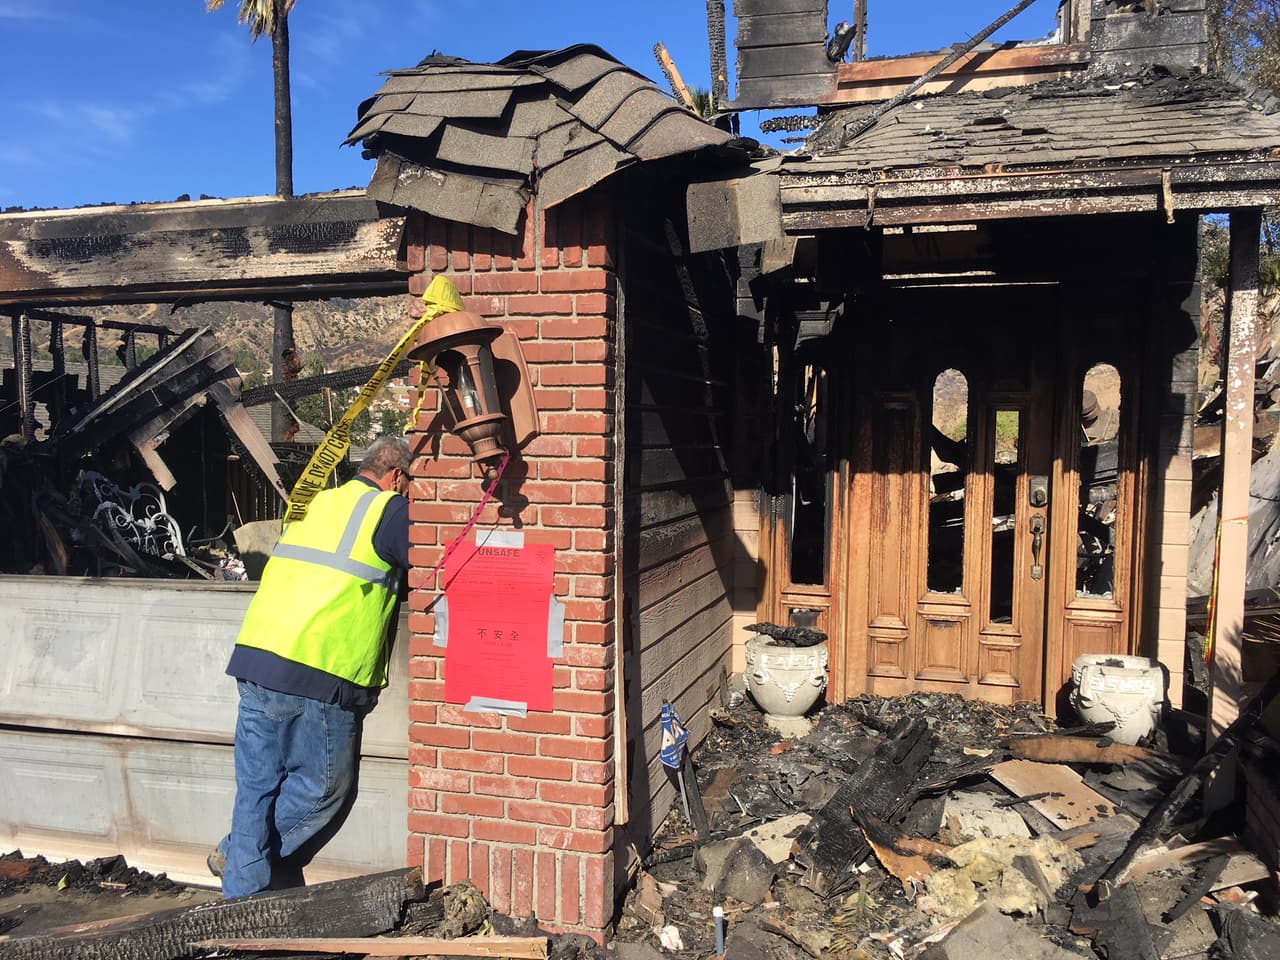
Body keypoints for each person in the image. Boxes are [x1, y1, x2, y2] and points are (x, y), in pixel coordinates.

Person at [209, 434, 412, 899]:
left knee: (256, 791)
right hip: (320, 667)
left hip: (259, 654)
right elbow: (438, 564)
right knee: (325, 792)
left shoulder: (316, 505)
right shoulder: (389, 510)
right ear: (397, 476)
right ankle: (236, 852)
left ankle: (240, 904)